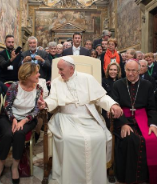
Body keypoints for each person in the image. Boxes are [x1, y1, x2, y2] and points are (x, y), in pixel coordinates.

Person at [38, 56, 123, 184]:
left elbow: (101, 97)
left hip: (87, 116)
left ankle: (94, 177)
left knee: (99, 137)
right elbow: (53, 99)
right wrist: (45, 104)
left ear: (71, 69)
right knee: (67, 138)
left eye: (61, 69)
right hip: (65, 117)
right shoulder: (56, 82)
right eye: (58, 69)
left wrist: (113, 105)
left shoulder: (87, 79)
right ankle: (72, 178)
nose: (59, 72)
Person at [111, 60, 157, 184]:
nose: (130, 74)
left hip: (143, 118)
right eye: (128, 70)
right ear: (124, 71)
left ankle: (148, 176)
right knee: (130, 139)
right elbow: (115, 105)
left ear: (139, 71)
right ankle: (129, 178)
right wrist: (123, 123)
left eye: (134, 71)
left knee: (154, 139)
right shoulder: (118, 85)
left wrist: (153, 125)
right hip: (123, 118)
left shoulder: (147, 84)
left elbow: (152, 107)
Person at [0, 62, 43, 184]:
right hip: (8, 117)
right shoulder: (14, 87)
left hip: (28, 119)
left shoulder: (39, 88)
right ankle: (0, 167)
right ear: (28, 75)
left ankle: (15, 167)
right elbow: (7, 105)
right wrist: (14, 119)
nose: (39, 74)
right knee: (8, 134)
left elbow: (36, 109)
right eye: (36, 72)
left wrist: (24, 120)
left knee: (19, 134)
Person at [102, 62, 122, 127]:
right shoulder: (103, 81)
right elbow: (103, 97)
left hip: (119, 106)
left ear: (118, 71)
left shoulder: (121, 81)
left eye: (115, 70)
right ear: (108, 70)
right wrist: (109, 108)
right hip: (107, 108)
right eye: (111, 69)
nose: (112, 72)